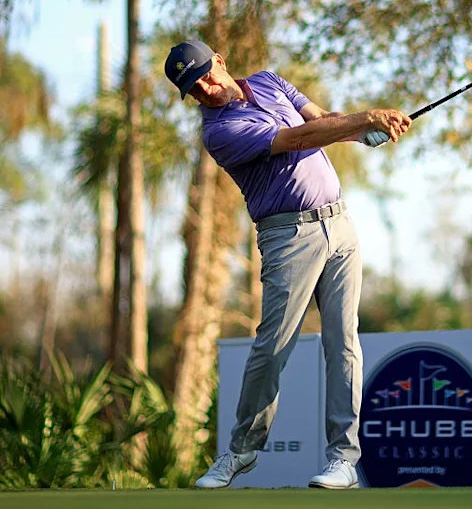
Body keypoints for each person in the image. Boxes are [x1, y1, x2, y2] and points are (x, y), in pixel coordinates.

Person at [164, 40, 411, 490]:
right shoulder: (219, 132)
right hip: (288, 236)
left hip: (341, 224)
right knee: (273, 346)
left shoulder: (269, 81)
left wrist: (363, 131)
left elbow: (321, 122)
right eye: (191, 87)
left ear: (220, 58)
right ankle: (241, 450)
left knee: (344, 343)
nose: (202, 87)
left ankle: (343, 459)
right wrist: (366, 118)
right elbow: (297, 139)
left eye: (203, 73)